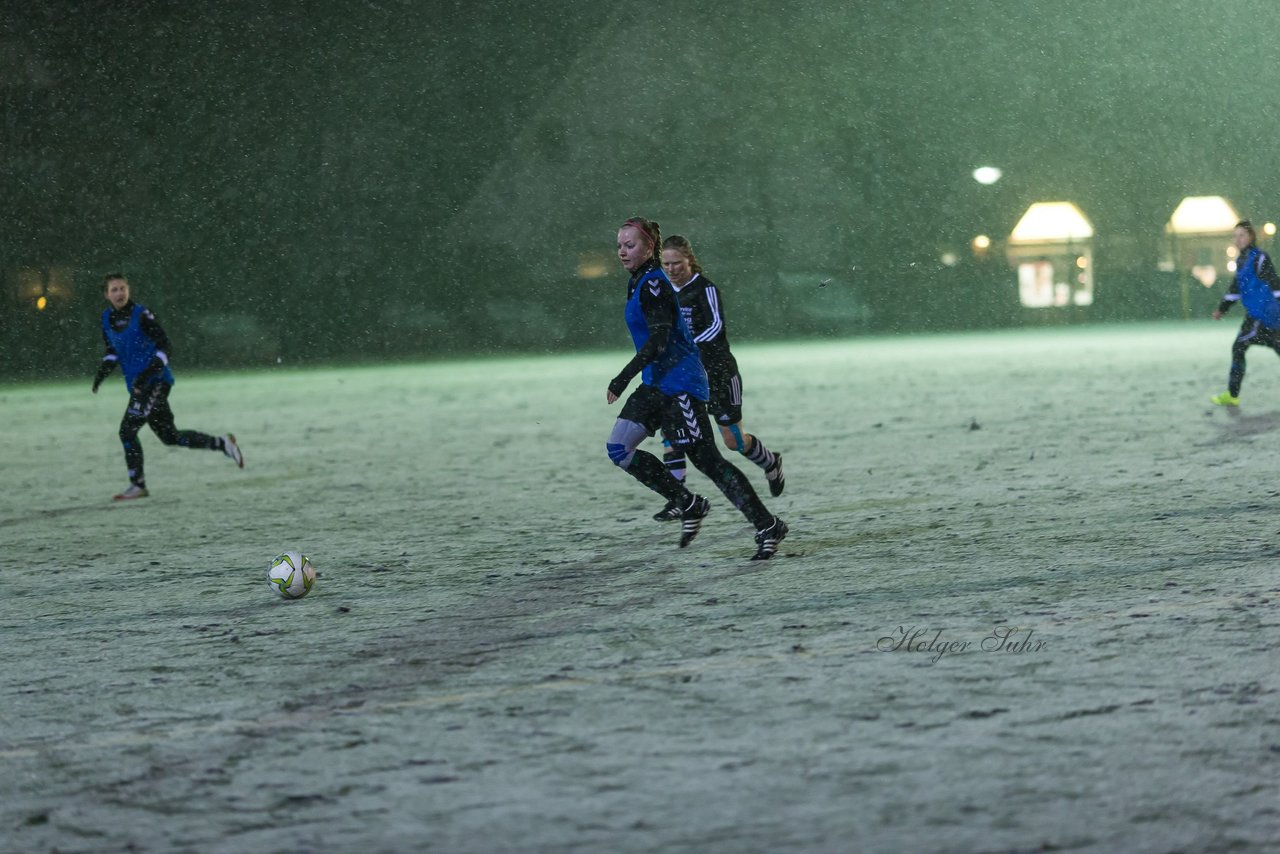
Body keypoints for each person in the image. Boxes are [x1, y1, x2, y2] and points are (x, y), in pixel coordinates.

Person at [605, 217, 788, 560]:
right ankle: (688, 502)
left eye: (630, 245)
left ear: (649, 248)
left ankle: (768, 526)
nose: (622, 252)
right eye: (619, 245)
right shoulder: (638, 282)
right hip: (656, 383)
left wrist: (622, 377)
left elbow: (660, 340)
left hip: (681, 385)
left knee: (709, 461)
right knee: (619, 448)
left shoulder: (655, 285)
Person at [650, 234, 785, 522]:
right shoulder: (662, 291)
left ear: (690, 261)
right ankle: (679, 499)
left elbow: (715, 326)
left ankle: (771, 462)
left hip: (718, 374)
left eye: (677, 263)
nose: (671, 268)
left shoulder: (705, 288)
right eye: (666, 263)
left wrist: (687, 348)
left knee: (733, 441)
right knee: (672, 433)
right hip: (686, 378)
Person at [91, 273, 243, 500]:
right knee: (170, 436)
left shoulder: (141, 314)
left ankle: (137, 484)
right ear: (106, 295)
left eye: (122, 288)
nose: (119, 293)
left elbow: (165, 346)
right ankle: (222, 444)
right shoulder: (106, 319)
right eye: (114, 290)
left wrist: (148, 374)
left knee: (127, 431)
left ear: (129, 290)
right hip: (139, 386)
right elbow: (113, 351)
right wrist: (102, 373)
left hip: (156, 383)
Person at [1210, 220, 1280, 406]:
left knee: (1239, 346)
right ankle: (1232, 395)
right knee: (1244, 347)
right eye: (1235, 236)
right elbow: (1235, 289)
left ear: (1251, 237)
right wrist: (1222, 309)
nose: (1237, 239)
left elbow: (1275, 283)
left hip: (1264, 315)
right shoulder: (1241, 261)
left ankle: (1232, 395)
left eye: (1241, 235)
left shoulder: (1259, 258)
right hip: (1259, 315)